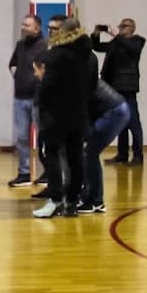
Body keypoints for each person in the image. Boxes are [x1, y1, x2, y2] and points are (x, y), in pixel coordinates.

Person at [32, 16, 97, 220]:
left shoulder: (56, 55)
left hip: (56, 115)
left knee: (51, 154)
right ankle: (71, 203)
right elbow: (90, 85)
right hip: (78, 114)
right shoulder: (88, 54)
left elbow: (48, 86)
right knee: (75, 158)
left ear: (63, 32)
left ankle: (55, 200)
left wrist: (41, 82)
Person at [93, 18, 146, 165]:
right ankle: (122, 155)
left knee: (133, 122)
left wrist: (116, 35)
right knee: (121, 122)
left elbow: (132, 49)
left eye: (125, 26)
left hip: (128, 87)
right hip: (114, 86)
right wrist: (96, 33)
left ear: (132, 28)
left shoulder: (137, 41)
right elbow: (96, 46)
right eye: (120, 25)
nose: (121, 28)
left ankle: (138, 155)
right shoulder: (116, 42)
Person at [79, 76, 133, 214]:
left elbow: (83, 110)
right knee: (89, 153)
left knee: (89, 153)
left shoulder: (75, 79)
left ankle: (95, 201)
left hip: (114, 112)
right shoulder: (78, 73)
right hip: (116, 109)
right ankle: (88, 197)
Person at [7, 14, 48, 187]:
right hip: (20, 97)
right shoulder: (20, 45)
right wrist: (18, 75)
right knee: (22, 136)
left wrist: (37, 81)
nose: (23, 27)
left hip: (39, 98)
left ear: (37, 28)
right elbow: (12, 63)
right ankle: (24, 172)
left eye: (27, 25)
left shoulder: (45, 46)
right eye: (23, 24)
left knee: (44, 137)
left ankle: (48, 171)